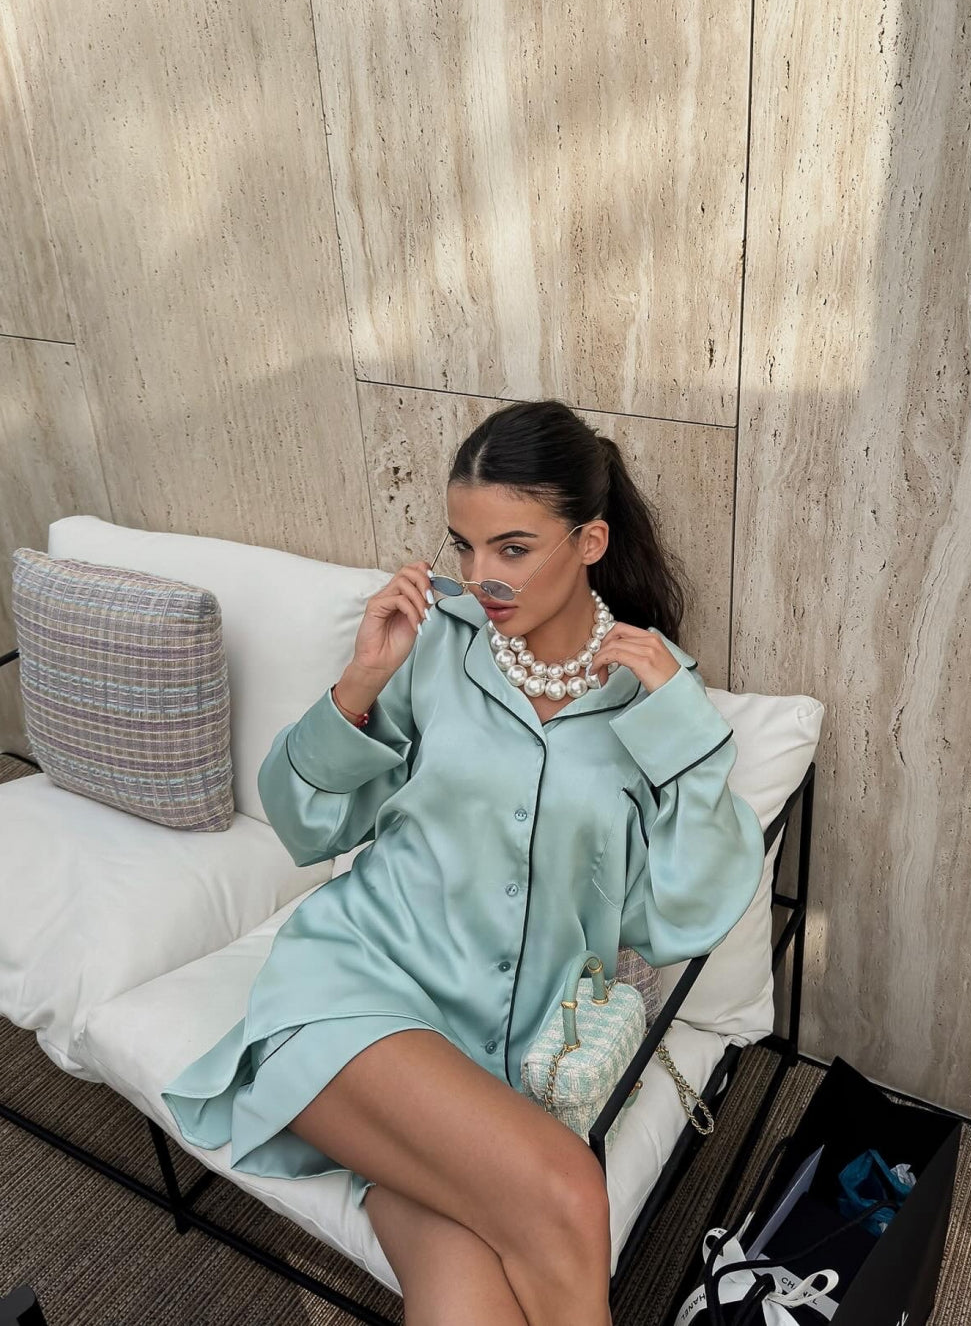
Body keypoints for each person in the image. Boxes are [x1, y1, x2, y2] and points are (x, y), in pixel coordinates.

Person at [161, 397, 766, 1326]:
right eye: (466, 547)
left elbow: (678, 919)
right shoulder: (436, 645)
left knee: (466, 1301)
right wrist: (360, 683)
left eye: (513, 549)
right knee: (567, 1189)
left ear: (590, 540)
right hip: (355, 994)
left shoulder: (656, 693)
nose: (483, 578)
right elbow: (307, 826)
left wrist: (683, 738)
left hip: (505, 1062)